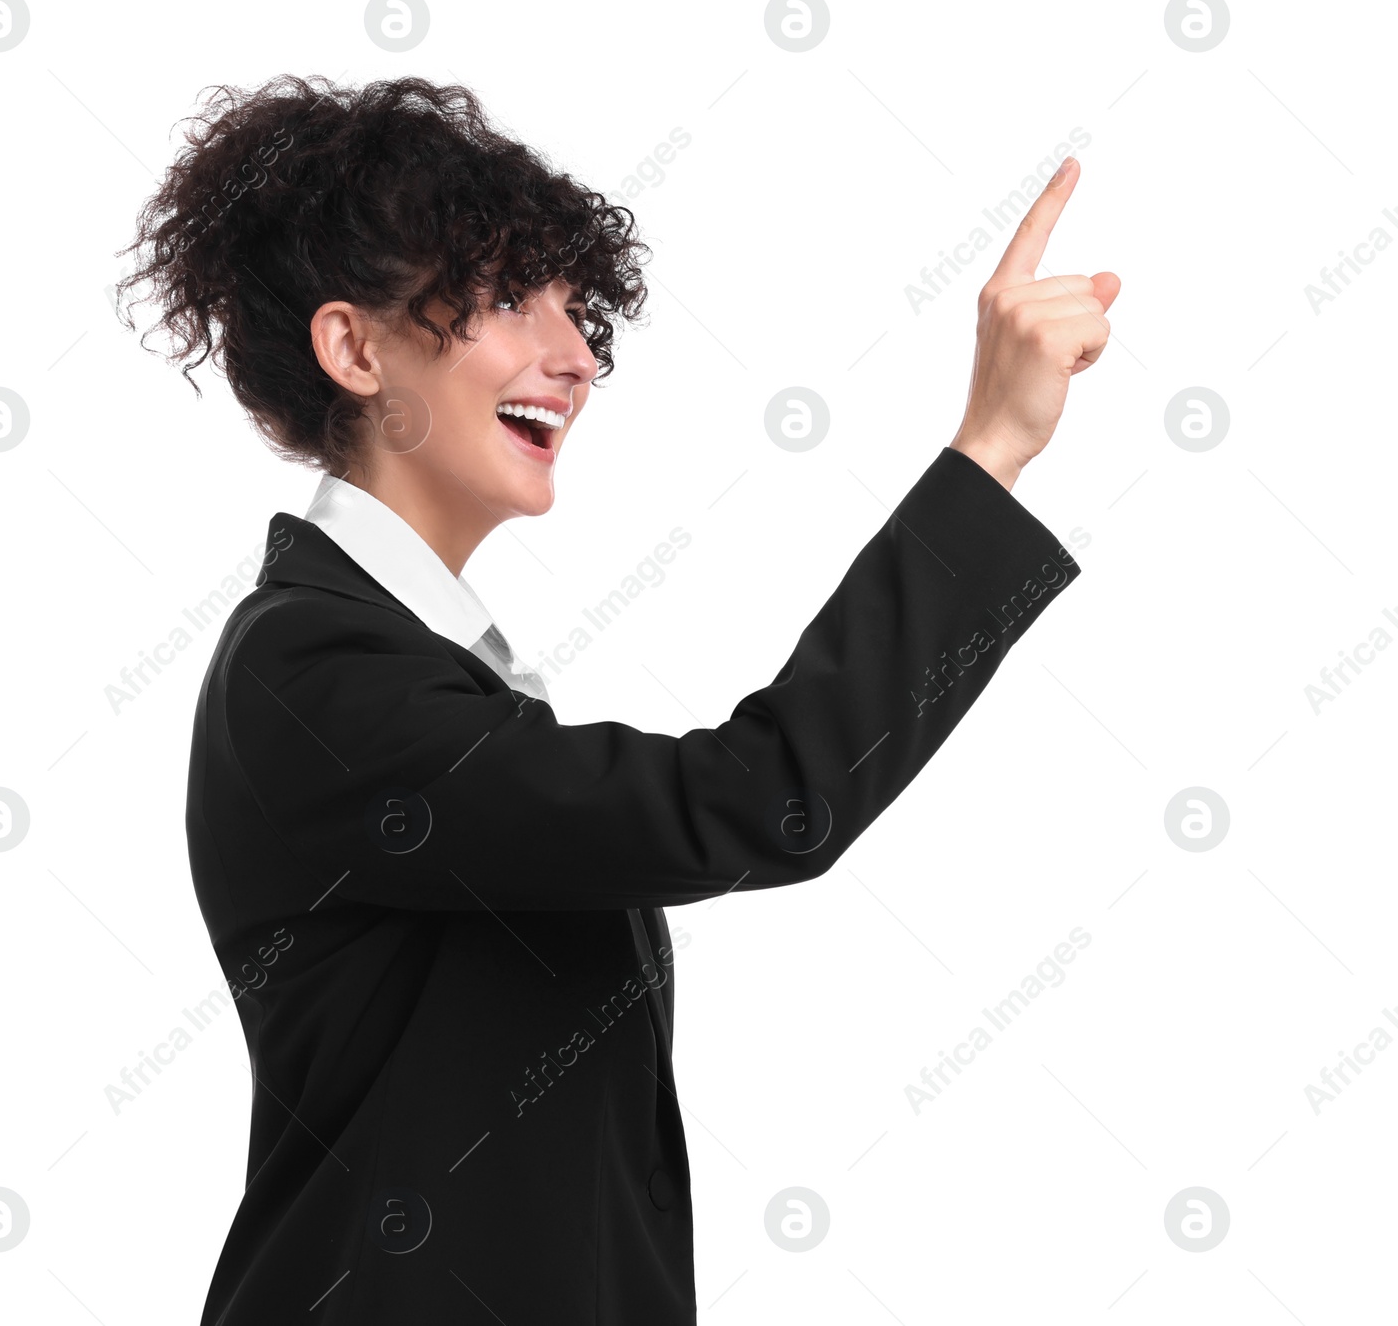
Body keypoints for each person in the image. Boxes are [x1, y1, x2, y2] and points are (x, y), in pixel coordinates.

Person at [116, 74, 1118, 1325]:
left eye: (572, 305)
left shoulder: (421, 671)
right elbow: (759, 801)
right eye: (506, 300)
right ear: (355, 346)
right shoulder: (313, 676)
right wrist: (990, 452)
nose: (577, 355)